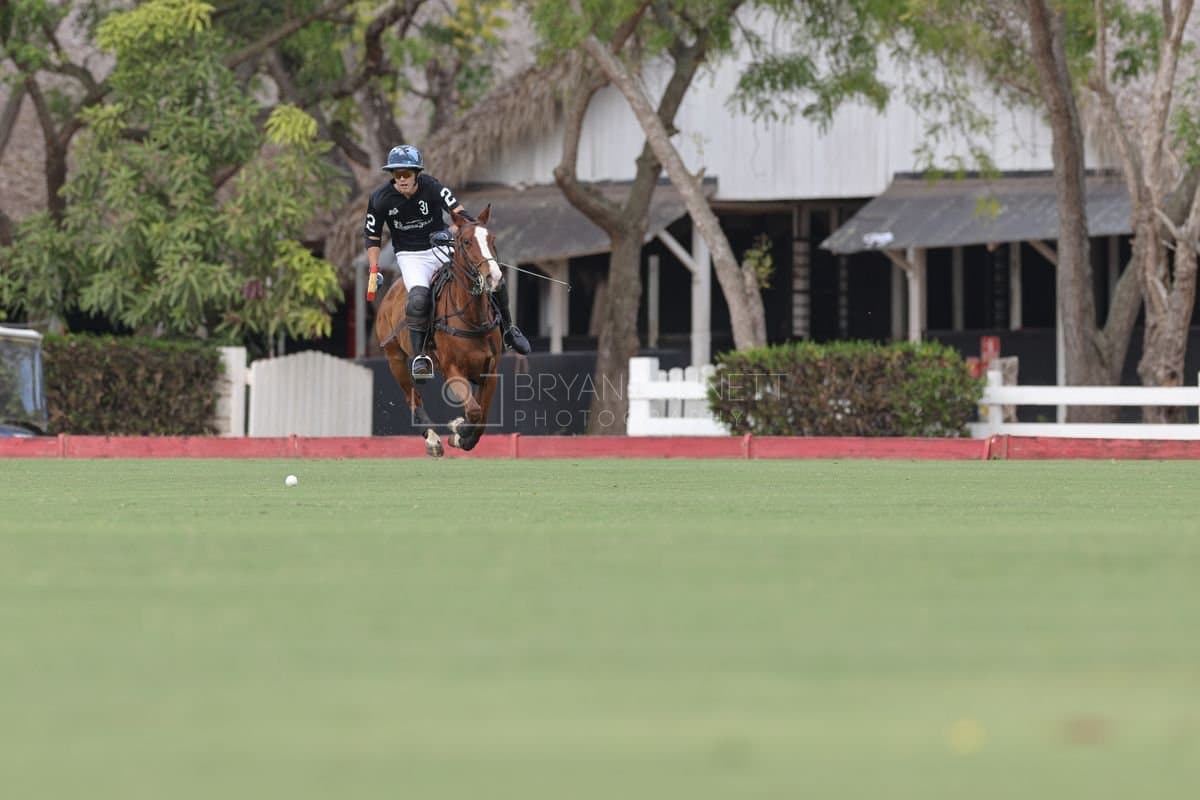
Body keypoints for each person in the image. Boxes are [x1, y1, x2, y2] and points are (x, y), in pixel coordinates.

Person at [364, 144, 530, 381]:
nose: (401, 179)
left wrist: (456, 231)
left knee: (490, 277)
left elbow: (459, 214)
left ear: (416, 174)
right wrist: (374, 268)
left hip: (441, 245)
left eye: (406, 174)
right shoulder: (380, 199)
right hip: (412, 256)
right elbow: (372, 236)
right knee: (419, 298)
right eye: (396, 174)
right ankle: (421, 356)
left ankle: (509, 329)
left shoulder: (432, 186)